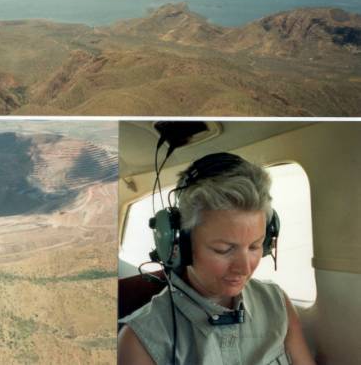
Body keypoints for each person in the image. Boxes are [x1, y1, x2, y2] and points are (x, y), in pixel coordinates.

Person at [118, 152, 316, 365]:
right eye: (223, 250)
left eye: (255, 246)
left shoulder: (277, 304)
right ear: (180, 245)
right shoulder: (138, 343)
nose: (244, 268)